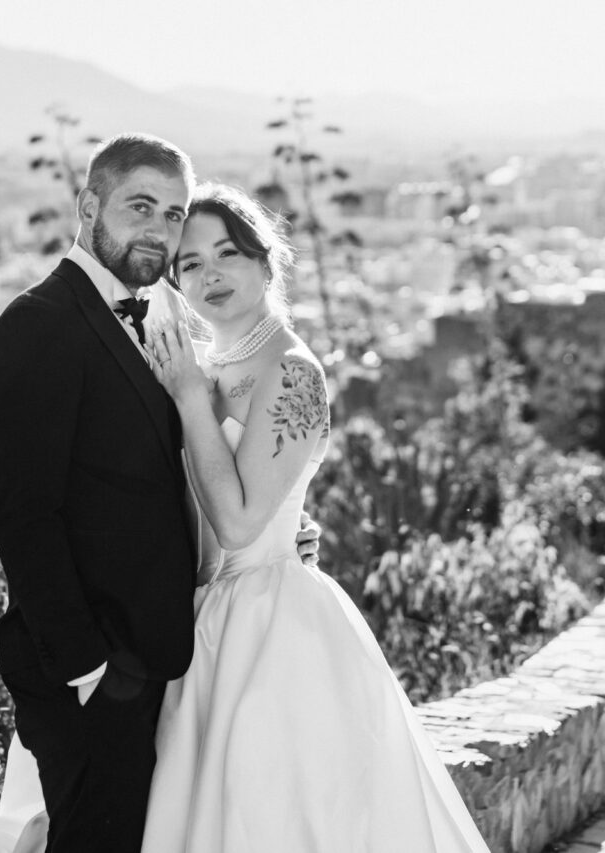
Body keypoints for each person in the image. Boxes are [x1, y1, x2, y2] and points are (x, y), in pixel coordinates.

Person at [0, 135, 318, 853]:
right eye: (141, 208)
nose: (160, 231)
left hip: (166, 655)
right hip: (92, 672)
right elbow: (26, 517)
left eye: (173, 214)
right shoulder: (39, 326)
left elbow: (168, 471)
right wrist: (89, 667)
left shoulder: (159, 324)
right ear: (89, 205)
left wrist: (278, 528)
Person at [137, 183, 491, 851]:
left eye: (227, 253)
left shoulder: (292, 371)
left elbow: (241, 526)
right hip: (205, 620)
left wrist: (188, 398)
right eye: (189, 263)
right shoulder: (207, 364)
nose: (209, 274)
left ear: (266, 262)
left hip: (274, 626)